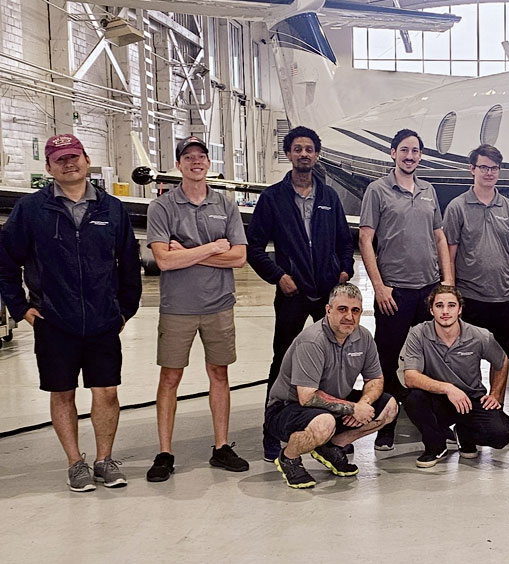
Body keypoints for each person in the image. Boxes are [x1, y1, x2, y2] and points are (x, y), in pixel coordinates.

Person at [0, 134, 141, 491]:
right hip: (53, 321)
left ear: (87, 159)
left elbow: (129, 264)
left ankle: (104, 460)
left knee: (106, 393)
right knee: (62, 393)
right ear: (49, 167)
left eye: (73, 156)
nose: (68, 163)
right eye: (59, 159)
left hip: (103, 320)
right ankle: (75, 463)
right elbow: (5, 262)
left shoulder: (112, 209)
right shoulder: (31, 210)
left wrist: (125, 310)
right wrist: (21, 309)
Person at [144, 136, 249, 482]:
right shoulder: (162, 207)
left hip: (219, 305)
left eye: (201, 156)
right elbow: (163, 261)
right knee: (170, 377)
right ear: (179, 165)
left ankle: (221, 446)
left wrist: (187, 253)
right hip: (178, 307)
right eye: (188, 157)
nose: (195, 162)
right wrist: (213, 248)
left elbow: (239, 257)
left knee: (219, 373)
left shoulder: (226, 204)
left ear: (208, 163)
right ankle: (165, 452)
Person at [247, 126, 354, 462]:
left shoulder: (329, 198)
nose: (304, 154)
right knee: (283, 362)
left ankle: (331, 431)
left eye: (309, 149)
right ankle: (271, 431)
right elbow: (254, 247)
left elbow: (345, 242)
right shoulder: (272, 198)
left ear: (317, 155)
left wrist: (344, 271)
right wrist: (278, 276)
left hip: (327, 294)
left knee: (334, 362)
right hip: (292, 293)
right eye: (298, 149)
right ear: (289, 154)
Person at [359, 129, 453, 450]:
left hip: (428, 291)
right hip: (394, 293)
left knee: (428, 359)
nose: (410, 156)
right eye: (404, 150)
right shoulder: (377, 190)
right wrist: (379, 287)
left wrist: (447, 282)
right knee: (387, 359)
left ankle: (432, 421)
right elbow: (365, 240)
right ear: (392, 153)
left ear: (421, 156)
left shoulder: (429, 190)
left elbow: (439, 236)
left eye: (415, 151)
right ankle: (385, 422)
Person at [265, 283, 398, 489]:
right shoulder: (312, 341)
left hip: (333, 402)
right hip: (287, 407)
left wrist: (364, 403)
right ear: (328, 310)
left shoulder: (363, 337)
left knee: (389, 407)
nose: (349, 316)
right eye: (342, 309)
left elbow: (375, 379)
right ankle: (289, 458)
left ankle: (331, 447)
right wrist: (353, 408)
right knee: (324, 422)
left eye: (355, 311)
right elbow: (307, 397)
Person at [400, 285, 509, 468]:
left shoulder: (479, 335)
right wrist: (447, 388)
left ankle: (465, 434)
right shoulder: (418, 333)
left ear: (460, 309)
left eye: (451, 305)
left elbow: (501, 360)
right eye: (439, 305)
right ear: (431, 310)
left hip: (471, 399)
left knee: (501, 435)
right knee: (413, 398)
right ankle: (435, 446)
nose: (445, 311)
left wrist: (496, 394)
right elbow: (410, 377)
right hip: (438, 400)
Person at [443, 144, 509, 358]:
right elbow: (449, 257)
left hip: (504, 297)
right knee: (466, 357)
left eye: (494, 168)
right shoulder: (457, 207)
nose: (489, 173)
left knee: (502, 359)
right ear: (472, 169)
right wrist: (451, 295)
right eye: (484, 167)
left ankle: (498, 387)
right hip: (470, 297)